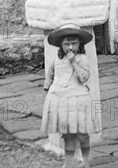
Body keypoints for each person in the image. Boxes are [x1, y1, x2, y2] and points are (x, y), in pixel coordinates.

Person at [41, 23, 98, 168]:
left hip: (77, 99)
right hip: (60, 99)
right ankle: (69, 163)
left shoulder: (82, 59)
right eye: (67, 44)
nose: (70, 47)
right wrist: (48, 87)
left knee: (82, 134)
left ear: (80, 44)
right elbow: (50, 74)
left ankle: (86, 161)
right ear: (61, 45)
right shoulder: (57, 59)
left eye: (74, 43)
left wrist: (73, 62)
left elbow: (84, 77)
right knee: (67, 135)